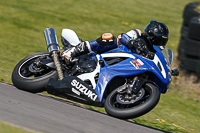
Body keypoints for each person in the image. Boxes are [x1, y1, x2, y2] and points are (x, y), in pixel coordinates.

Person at [61, 20, 169, 63]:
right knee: (111, 39)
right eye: (157, 40)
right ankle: (73, 51)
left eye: (161, 42)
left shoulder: (153, 54)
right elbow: (122, 36)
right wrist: (132, 42)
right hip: (104, 55)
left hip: (117, 66)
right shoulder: (138, 34)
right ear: (150, 35)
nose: (158, 44)